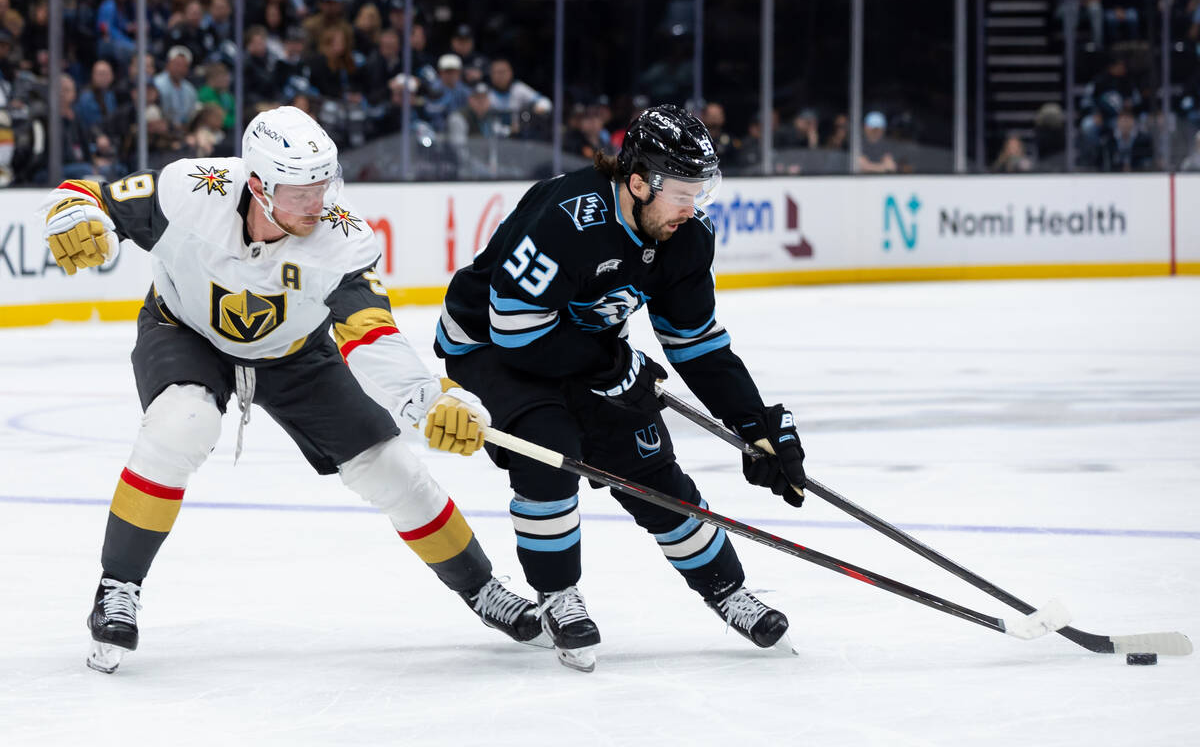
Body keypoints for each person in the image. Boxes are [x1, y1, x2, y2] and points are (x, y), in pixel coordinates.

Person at [38, 105, 546, 675]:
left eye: (324, 185)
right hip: (186, 331)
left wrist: (430, 398)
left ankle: (481, 589)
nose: (319, 204)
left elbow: (371, 333)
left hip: (296, 354)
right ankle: (117, 587)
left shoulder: (343, 239)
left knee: (391, 468)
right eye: (302, 191)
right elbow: (93, 195)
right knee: (181, 424)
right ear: (257, 185)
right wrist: (72, 213)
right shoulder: (192, 189)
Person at [433, 104, 806, 672]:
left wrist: (753, 423)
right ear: (637, 182)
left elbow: (697, 344)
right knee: (551, 448)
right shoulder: (566, 218)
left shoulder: (685, 236)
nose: (693, 207)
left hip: (580, 347)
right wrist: (611, 368)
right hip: (489, 346)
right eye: (682, 191)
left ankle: (727, 589)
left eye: (700, 190)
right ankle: (557, 593)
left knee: (649, 465)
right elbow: (515, 330)